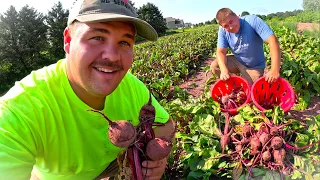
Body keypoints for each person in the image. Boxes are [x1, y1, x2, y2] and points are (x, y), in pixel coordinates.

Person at [0, 0, 176, 179]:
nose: (113, 56)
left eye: (124, 42)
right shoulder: (18, 111)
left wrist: (154, 160)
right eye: (98, 37)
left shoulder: (130, 86)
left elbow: (166, 125)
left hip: (111, 164)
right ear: (68, 41)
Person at [210, 8, 281, 85]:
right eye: (226, 26)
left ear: (237, 16)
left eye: (231, 22)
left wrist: (275, 69)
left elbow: (273, 41)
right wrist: (223, 70)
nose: (230, 27)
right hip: (237, 61)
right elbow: (220, 52)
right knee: (215, 66)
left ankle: (244, 80)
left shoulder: (253, 21)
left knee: (251, 88)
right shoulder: (222, 31)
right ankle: (234, 85)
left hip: (254, 66)